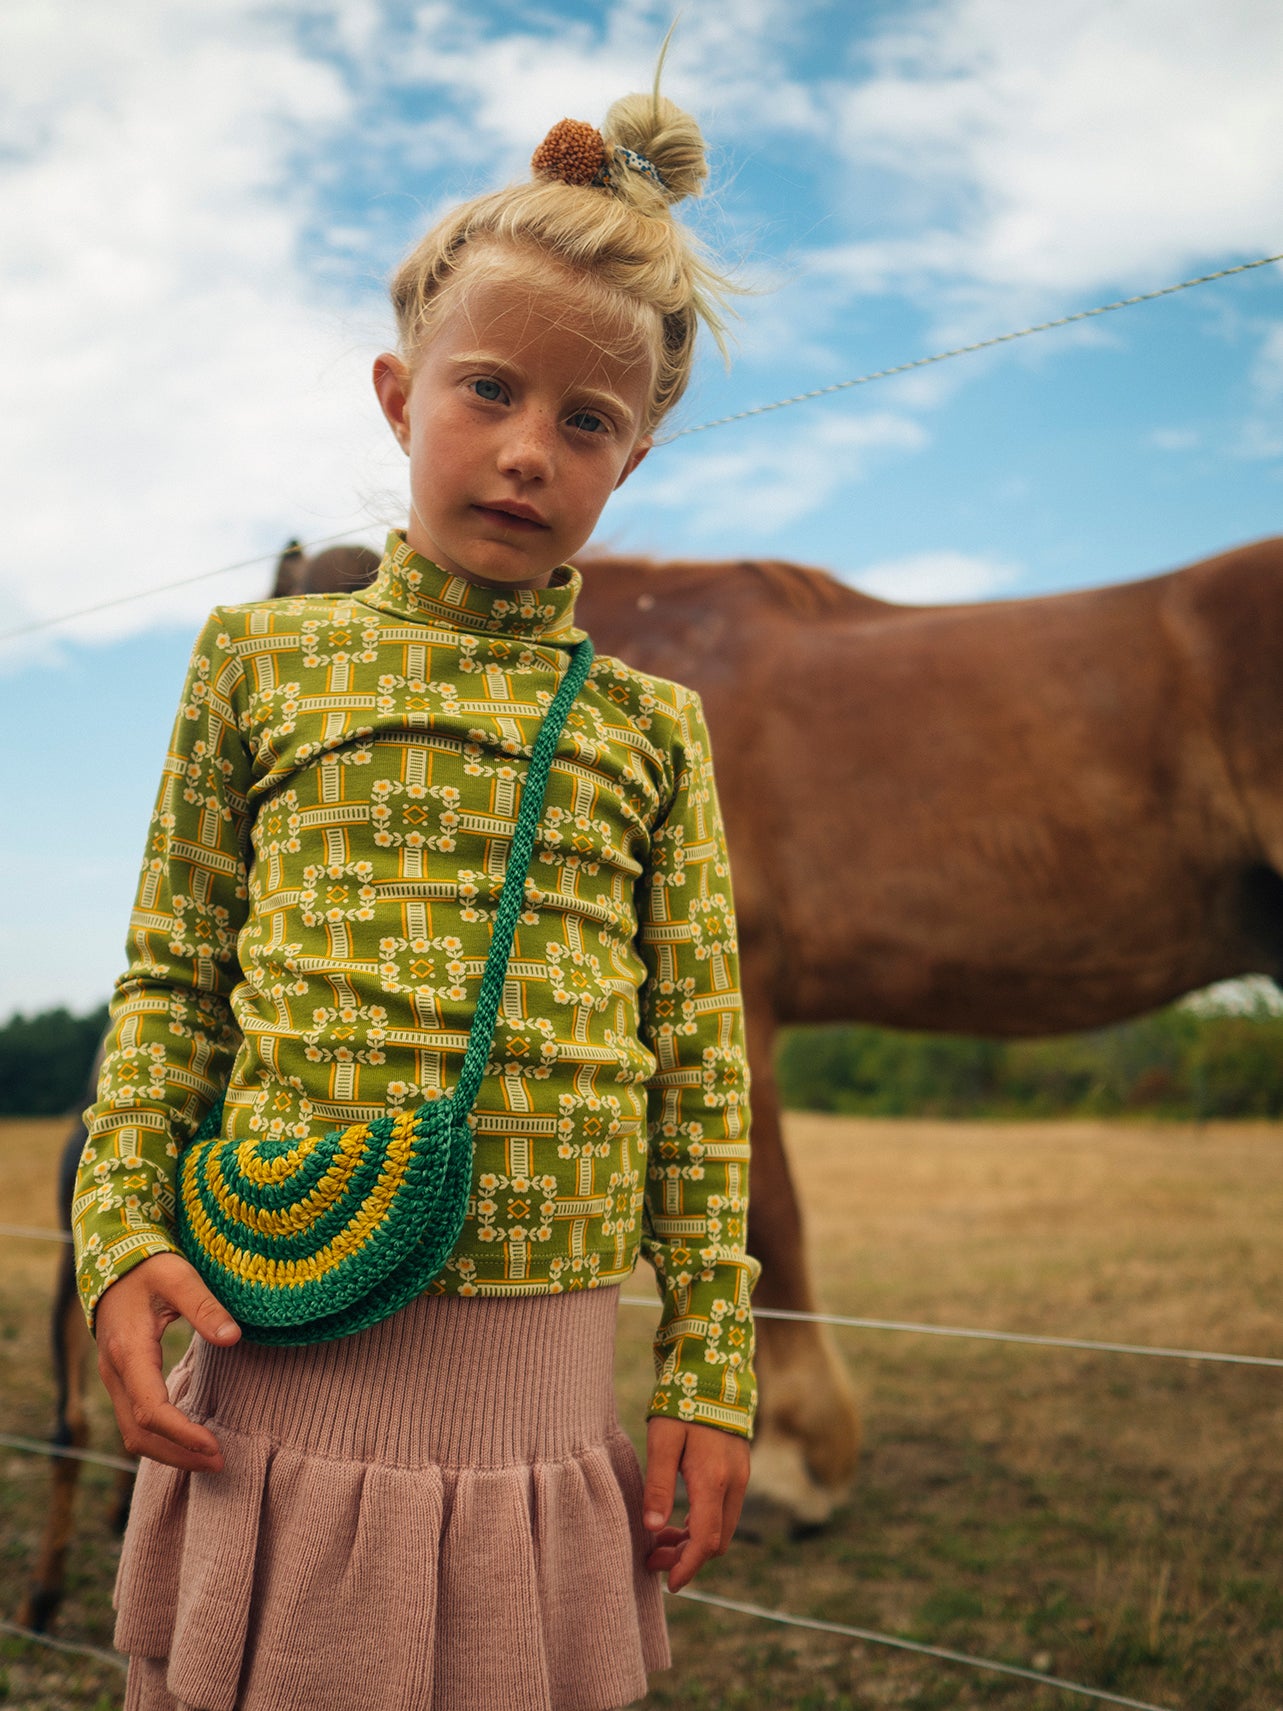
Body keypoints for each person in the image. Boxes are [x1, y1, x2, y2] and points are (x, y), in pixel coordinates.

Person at [73, 65, 758, 1711]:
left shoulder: (651, 728)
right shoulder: (257, 659)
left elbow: (706, 1071)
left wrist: (716, 1367)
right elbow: (171, 978)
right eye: (490, 392)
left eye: (587, 422)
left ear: (635, 459)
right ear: (400, 394)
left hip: (536, 1399)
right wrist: (114, 1238)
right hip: (277, 1355)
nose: (529, 453)